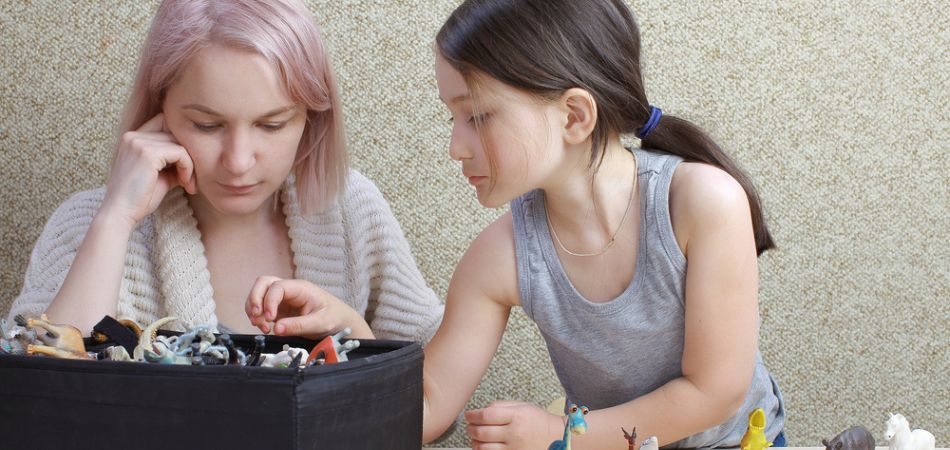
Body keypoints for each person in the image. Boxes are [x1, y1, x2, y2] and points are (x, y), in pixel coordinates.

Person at [419, 0, 787, 448]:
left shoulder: (703, 202)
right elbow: (429, 402)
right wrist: (351, 347)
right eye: (452, 117)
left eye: (476, 115)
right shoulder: (501, 255)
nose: (455, 147)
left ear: (573, 116)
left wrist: (561, 435)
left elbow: (716, 393)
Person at [7, 0, 443, 344]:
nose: (237, 161)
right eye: (207, 125)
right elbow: (37, 400)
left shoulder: (351, 210)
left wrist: (355, 336)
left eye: (271, 125)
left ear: (311, 118)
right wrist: (114, 220)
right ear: (160, 111)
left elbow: (433, 406)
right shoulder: (87, 224)